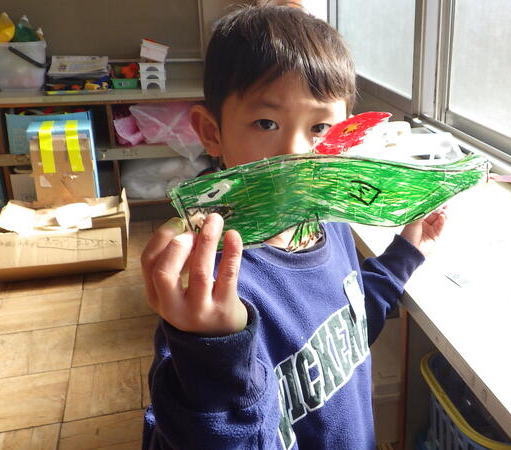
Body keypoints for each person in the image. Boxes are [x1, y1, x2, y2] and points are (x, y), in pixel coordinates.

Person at [140, 5, 447, 449]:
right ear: (212, 132)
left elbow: (347, 323)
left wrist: (404, 255)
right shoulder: (209, 287)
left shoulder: (328, 222)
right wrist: (212, 350)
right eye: (266, 123)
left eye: (320, 127)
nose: (295, 153)